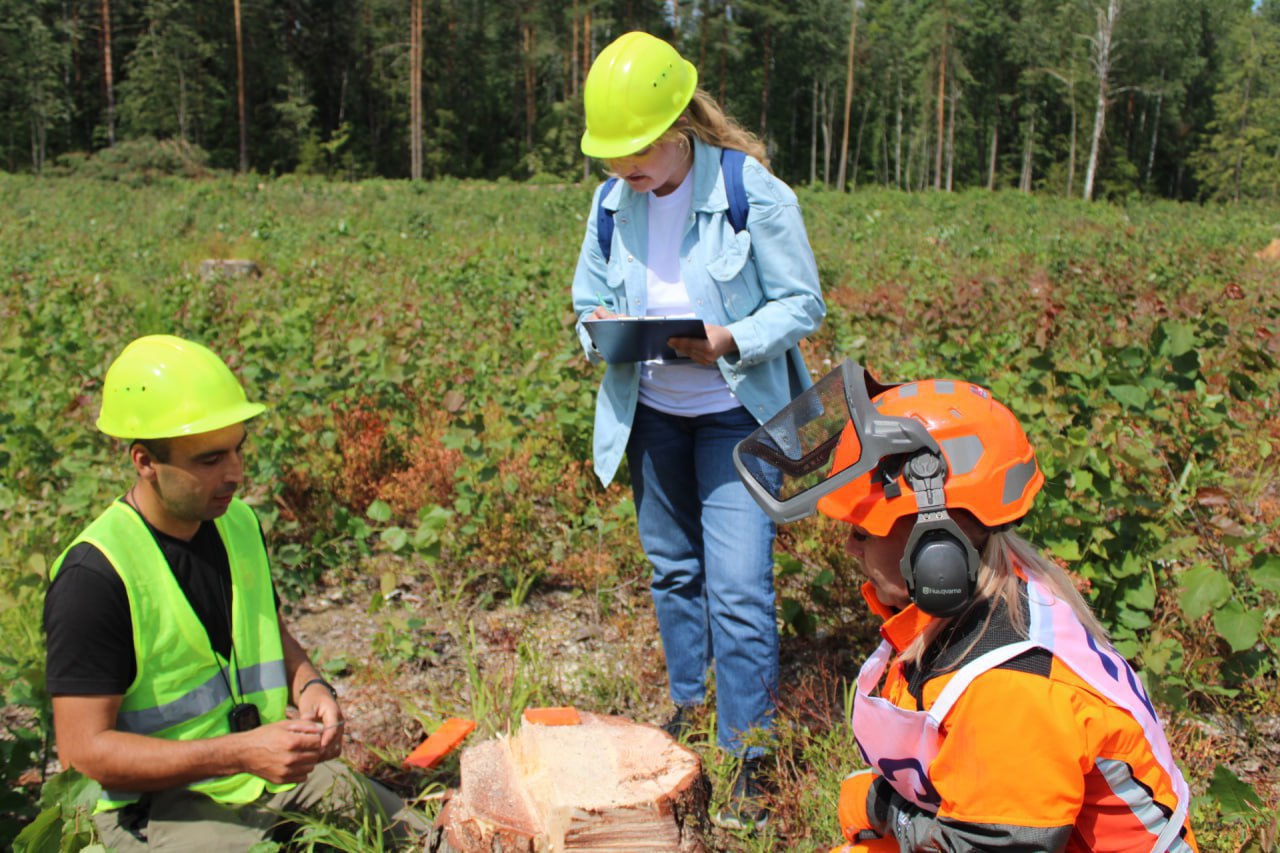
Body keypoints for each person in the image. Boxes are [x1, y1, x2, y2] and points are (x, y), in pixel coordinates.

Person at [733, 361, 1199, 852]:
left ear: (936, 539)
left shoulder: (1010, 684)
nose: (849, 549)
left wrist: (882, 807)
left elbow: (999, 845)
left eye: (862, 532)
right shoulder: (968, 611)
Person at [570, 31, 825, 828]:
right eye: (611, 156)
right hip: (651, 415)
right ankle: (687, 708)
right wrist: (601, 329)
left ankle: (749, 750)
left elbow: (802, 303)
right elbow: (586, 299)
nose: (624, 170)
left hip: (734, 416)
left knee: (741, 584)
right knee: (674, 571)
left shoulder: (755, 192)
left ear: (678, 122)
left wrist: (727, 338)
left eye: (636, 152)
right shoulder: (612, 205)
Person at [43, 334, 426, 850]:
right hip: (158, 805)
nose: (236, 474)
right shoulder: (95, 576)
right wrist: (240, 752)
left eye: (238, 450)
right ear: (144, 461)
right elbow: (82, 753)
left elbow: (268, 628)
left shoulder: (237, 522)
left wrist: (311, 686)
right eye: (209, 459)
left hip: (257, 778)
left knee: (425, 837)